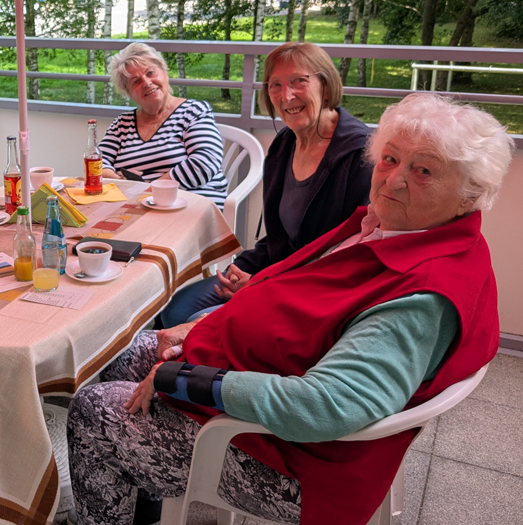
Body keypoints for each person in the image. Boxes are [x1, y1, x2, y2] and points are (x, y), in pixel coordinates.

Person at [69, 93, 512, 525]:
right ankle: (137, 489)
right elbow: (283, 289)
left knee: (93, 408)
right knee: (115, 354)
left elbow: (325, 406)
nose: (394, 180)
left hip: (295, 461)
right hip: (261, 369)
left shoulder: (423, 296)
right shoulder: (380, 227)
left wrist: (179, 378)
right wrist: (204, 325)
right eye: (390, 159)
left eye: (424, 171)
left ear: (469, 196)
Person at [159, 41, 373, 327]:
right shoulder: (284, 145)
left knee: (197, 324)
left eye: (299, 81)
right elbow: (279, 238)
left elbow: (345, 259)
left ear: (325, 84)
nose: (286, 96)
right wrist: (243, 267)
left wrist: (261, 282)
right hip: (274, 275)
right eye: (275, 85)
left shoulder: (360, 155)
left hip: (316, 294)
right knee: (171, 312)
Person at [98, 42, 227, 207]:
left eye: (150, 73)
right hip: (138, 204)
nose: (146, 82)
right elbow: (97, 163)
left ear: (165, 73)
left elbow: (205, 162)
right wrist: (119, 181)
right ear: (128, 93)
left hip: (190, 204)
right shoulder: (123, 123)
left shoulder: (194, 111)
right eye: (135, 82)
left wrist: (150, 189)